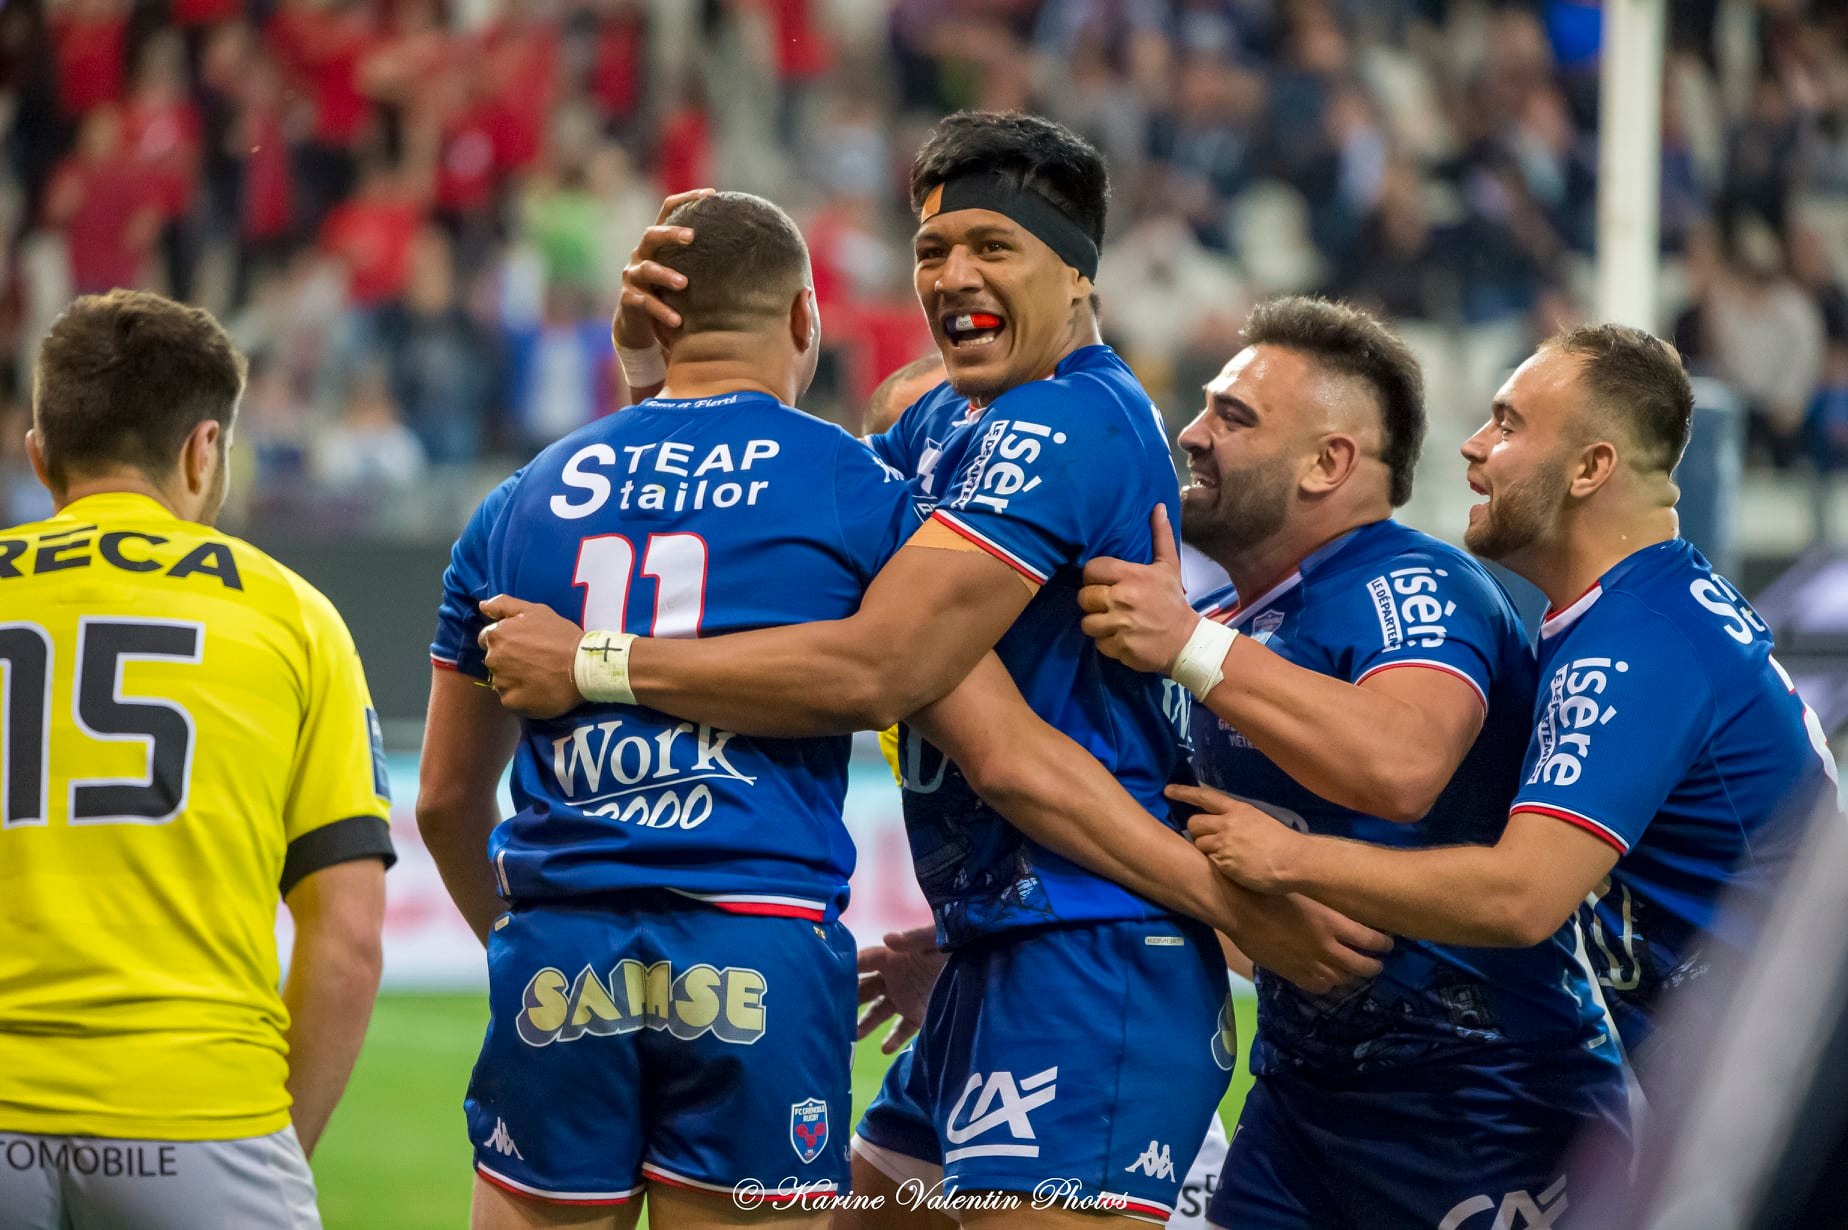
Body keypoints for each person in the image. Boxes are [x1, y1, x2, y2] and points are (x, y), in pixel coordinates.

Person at [475, 113, 1384, 1226]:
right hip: (1000, 944)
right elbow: (734, 525)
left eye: (994, 247)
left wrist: (596, 663)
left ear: (1078, 273)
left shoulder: (1070, 425)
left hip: (1089, 956)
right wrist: (649, 375)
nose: (954, 278)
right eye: (932, 251)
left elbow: (888, 671)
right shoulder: (952, 425)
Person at [1075, 296, 1629, 1229]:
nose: (1194, 434)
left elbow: (1404, 762)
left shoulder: (1410, 583)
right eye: (1207, 406)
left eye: (1235, 417)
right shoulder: (1228, 630)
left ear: (1330, 463)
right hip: (1302, 1105)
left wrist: (1190, 649)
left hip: (1484, 1104)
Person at [1181, 323, 1839, 1100]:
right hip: (1753, 1064)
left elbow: (1521, 896)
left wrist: (1289, 861)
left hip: (1790, 1078)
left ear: (1590, 469)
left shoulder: (1634, 647)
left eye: (1509, 423)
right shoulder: (1630, 616)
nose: (1472, 445)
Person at [0, 290, 395, 1229]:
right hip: (200, 1119)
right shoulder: (293, 617)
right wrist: (265, 1149)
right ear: (202, 449)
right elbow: (346, 943)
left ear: (41, 454)